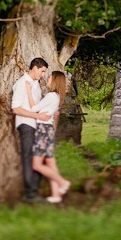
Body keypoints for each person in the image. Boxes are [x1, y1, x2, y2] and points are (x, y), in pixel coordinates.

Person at [11, 57, 51, 204]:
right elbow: (16, 108)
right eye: (42, 71)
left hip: (35, 124)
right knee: (29, 159)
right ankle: (30, 194)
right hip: (26, 125)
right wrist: (37, 115)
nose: (42, 75)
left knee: (40, 159)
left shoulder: (36, 84)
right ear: (35, 68)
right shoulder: (22, 84)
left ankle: (34, 190)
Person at [31, 70, 72, 203]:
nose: (47, 79)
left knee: (37, 165)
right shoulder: (57, 97)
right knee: (50, 164)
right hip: (48, 130)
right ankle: (56, 195)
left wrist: (27, 91)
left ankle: (63, 182)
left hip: (42, 130)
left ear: (55, 81)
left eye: (49, 77)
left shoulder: (50, 95)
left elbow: (33, 109)